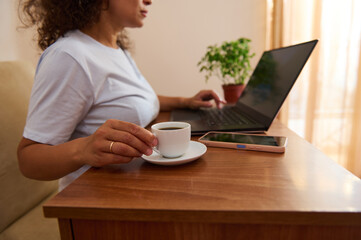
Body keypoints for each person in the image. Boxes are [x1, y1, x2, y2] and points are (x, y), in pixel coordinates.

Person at [17, 0, 225, 191]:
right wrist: (84, 148)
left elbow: (131, 100)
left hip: (133, 185)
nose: (149, 1)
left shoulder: (115, 50)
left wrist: (185, 101)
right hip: (96, 201)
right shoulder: (70, 57)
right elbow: (29, 160)